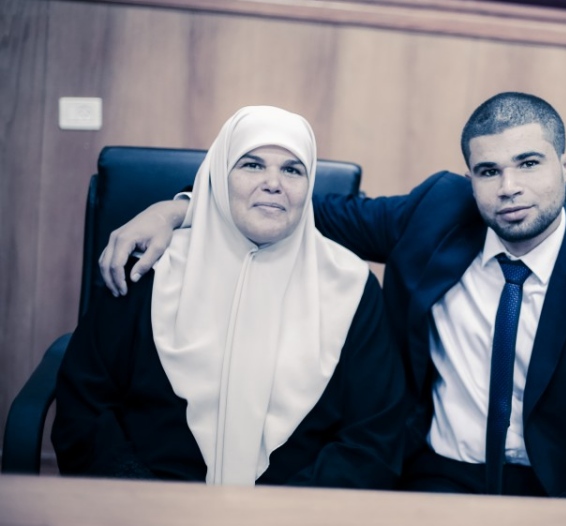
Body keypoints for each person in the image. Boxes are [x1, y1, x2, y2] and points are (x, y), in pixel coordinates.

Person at [98, 92, 566, 498]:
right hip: (430, 472)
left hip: (553, 487)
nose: (509, 187)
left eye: (529, 164)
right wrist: (178, 208)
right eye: (488, 171)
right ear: (468, 178)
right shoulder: (437, 213)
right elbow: (286, 207)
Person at [53, 106, 410, 488]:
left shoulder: (350, 285)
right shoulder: (149, 267)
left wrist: (288, 513)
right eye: (252, 165)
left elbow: (373, 437)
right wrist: (142, 501)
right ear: (218, 177)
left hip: (295, 512)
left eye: (293, 170)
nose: (273, 183)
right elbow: (86, 406)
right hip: (148, 503)